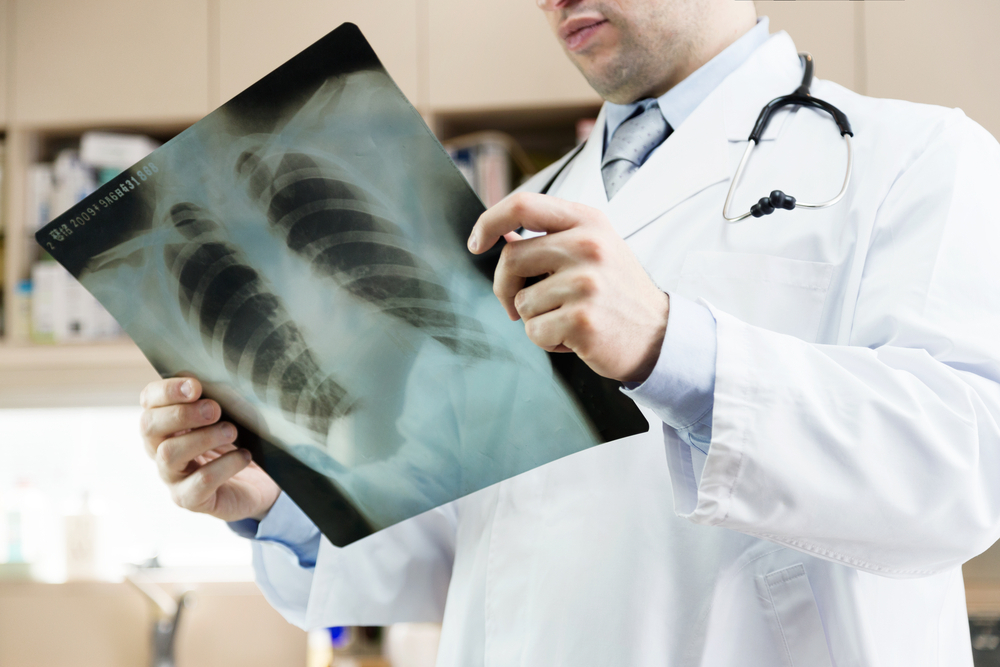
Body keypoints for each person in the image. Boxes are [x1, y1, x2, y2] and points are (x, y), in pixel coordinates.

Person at [139, 0, 1000, 664]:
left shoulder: (917, 157)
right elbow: (473, 539)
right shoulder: (507, 218)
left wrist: (672, 346)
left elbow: (970, 464)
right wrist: (280, 502)